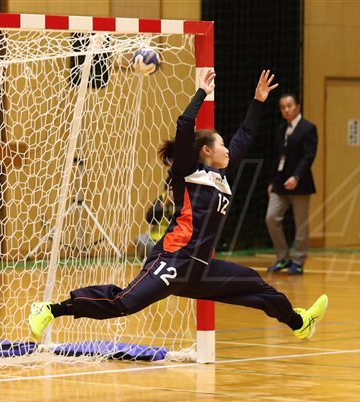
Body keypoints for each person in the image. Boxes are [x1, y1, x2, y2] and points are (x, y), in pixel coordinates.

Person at [28, 69, 328, 344]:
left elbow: (245, 136)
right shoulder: (187, 172)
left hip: (200, 268)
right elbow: (185, 124)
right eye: (222, 145)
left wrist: (258, 101)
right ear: (206, 150)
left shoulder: (221, 176)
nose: (228, 148)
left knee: (254, 284)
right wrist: (201, 93)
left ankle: (299, 322)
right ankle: (51, 310)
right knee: (124, 302)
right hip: (173, 259)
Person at [265, 93, 318, 275]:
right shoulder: (281, 129)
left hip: (301, 184)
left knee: (300, 223)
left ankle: (299, 260)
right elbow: (277, 157)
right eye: (283, 107)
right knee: (271, 217)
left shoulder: (308, 128)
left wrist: (296, 177)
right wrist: (272, 181)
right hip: (280, 183)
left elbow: (308, 156)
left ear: (298, 106)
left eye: (289, 105)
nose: (286, 110)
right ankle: (283, 257)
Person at [134, 185, 174, 259]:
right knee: (140, 239)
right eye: (170, 190)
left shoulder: (182, 201)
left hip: (172, 241)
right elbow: (149, 219)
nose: (171, 193)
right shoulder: (162, 198)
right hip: (154, 239)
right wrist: (165, 203)